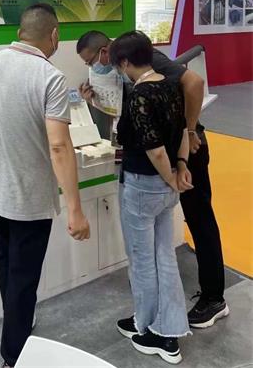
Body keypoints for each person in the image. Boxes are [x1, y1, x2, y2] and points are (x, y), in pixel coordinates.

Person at [76, 30, 228, 329]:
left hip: (181, 150)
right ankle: (161, 315)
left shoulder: (143, 60)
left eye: (92, 61)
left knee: (198, 219)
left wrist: (190, 131)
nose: (93, 68)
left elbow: (194, 83)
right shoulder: (129, 73)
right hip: (167, 157)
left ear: (108, 53)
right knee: (161, 243)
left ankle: (214, 298)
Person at [0, 4, 90, 368]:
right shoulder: (50, 77)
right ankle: (14, 356)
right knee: (24, 277)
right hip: (30, 199)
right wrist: (75, 209)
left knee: (7, 265)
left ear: (21, 32)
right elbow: (59, 145)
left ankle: (17, 323)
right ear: (54, 35)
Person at [110, 31, 193, 364]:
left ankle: (152, 329)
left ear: (125, 62)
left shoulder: (140, 95)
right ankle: (164, 325)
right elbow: (183, 131)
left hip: (143, 185)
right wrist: (180, 168)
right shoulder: (170, 85)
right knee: (163, 256)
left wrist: (169, 175)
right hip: (166, 188)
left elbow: (155, 149)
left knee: (142, 259)